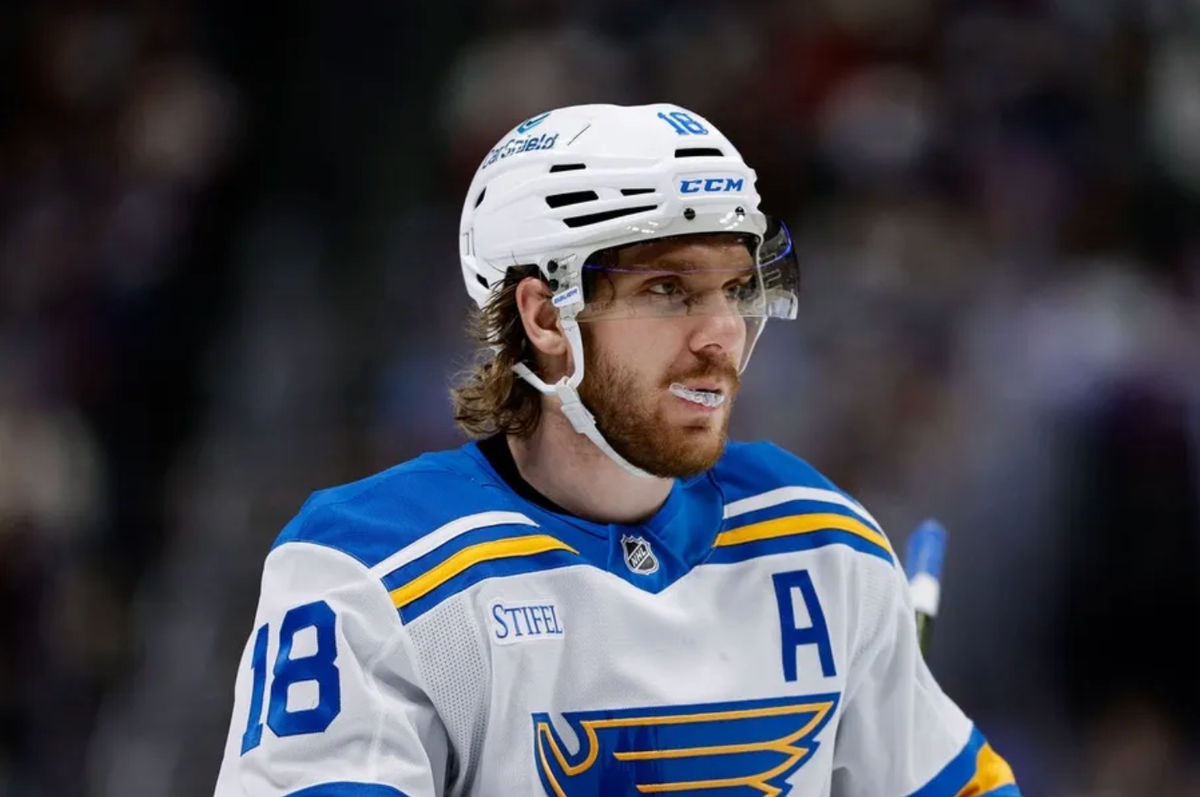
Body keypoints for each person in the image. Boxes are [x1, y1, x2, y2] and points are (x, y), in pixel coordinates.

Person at [213, 103, 1020, 797]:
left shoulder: (819, 540)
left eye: (735, 289)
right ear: (542, 315)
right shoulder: (368, 569)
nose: (723, 335)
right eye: (668, 290)